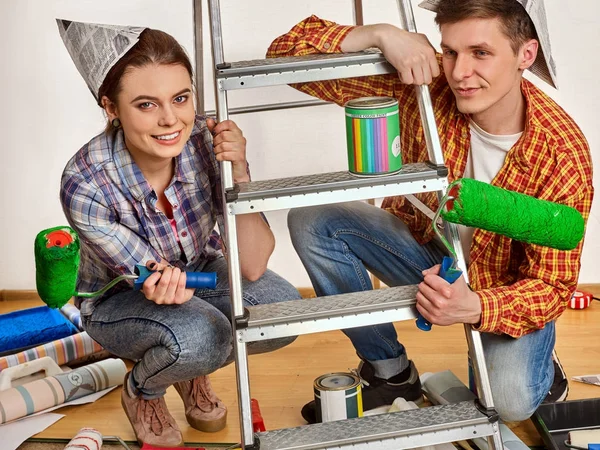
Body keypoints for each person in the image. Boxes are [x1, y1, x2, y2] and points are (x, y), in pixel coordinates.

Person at [266, 0, 593, 423]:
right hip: (431, 259)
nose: (459, 73)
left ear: (525, 56)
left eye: (481, 53)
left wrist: (474, 307)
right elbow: (284, 55)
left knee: (507, 402)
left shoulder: (561, 154)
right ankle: (390, 373)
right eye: (451, 51)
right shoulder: (425, 84)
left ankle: (544, 371)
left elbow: (551, 285)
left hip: (501, 292)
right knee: (315, 221)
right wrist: (380, 34)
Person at [57, 21, 301, 447]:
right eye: (146, 105)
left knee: (281, 313)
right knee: (203, 336)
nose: (171, 120)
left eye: (181, 98)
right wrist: (191, 330)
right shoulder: (85, 182)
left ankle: (186, 368)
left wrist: (238, 172)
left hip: (199, 270)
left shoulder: (206, 141)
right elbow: (155, 285)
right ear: (111, 107)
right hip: (121, 299)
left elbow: (253, 263)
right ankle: (143, 391)